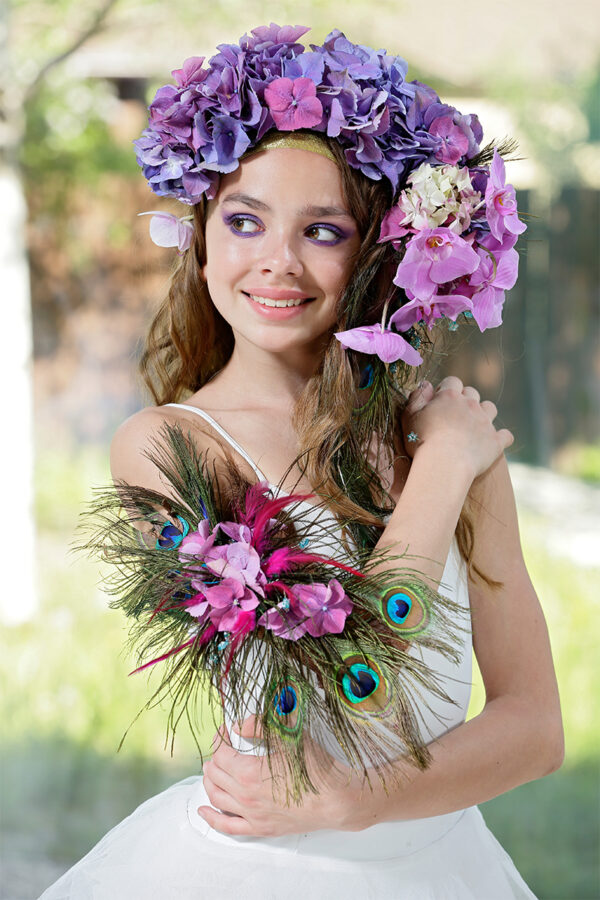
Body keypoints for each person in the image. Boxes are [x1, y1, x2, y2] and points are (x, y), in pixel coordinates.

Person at [40, 24, 563, 899]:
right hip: (259, 870)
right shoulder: (168, 446)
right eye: (245, 221)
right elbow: (347, 663)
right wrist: (439, 473)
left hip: (444, 865)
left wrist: (364, 803)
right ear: (203, 239)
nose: (276, 260)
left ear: (379, 253)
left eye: (323, 230)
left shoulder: (447, 436)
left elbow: (535, 728)